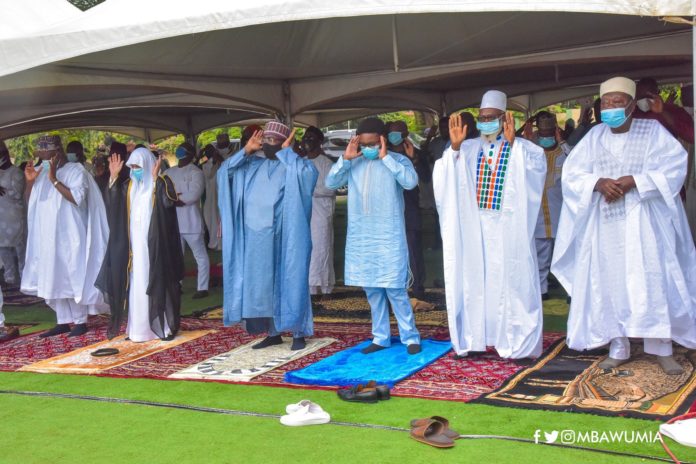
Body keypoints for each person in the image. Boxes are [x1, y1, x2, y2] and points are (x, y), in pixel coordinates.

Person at [552, 77, 696, 375]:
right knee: (610, 282)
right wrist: (598, 183)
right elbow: (573, 173)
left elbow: (674, 166)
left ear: (631, 105)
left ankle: (661, 348)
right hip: (606, 225)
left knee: (652, 280)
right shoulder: (594, 136)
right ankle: (618, 346)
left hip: (645, 221)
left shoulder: (653, 130)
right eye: (606, 103)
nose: (611, 108)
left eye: (617, 102)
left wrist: (636, 181)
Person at [433, 90, 546, 360]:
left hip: (509, 228)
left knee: (512, 282)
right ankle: (476, 340)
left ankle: (516, 342)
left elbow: (534, 177)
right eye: (482, 118)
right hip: (476, 229)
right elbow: (444, 175)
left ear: (506, 118)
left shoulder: (527, 149)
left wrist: (513, 145)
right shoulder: (468, 147)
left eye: (492, 118)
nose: (487, 122)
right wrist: (456, 148)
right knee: (476, 282)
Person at [217, 121, 317, 351]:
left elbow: (308, 176)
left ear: (284, 142)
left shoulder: (295, 164)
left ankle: (298, 332)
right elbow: (225, 173)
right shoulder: (252, 165)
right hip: (255, 239)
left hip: (285, 237)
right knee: (263, 285)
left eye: (275, 141)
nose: (270, 145)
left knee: (290, 280)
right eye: (267, 140)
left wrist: (287, 154)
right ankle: (273, 332)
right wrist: (246, 150)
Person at [326, 117, 421, 355]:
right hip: (362, 237)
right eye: (364, 144)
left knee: (395, 288)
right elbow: (330, 182)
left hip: (388, 236)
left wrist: (386, 158)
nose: (369, 148)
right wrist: (345, 160)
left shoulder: (397, 160)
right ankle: (381, 337)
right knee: (372, 289)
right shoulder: (353, 163)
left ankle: (410, 337)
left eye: (373, 144)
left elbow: (410, 183)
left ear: (382, 141)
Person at [22, 135, 109, 338]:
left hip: (69, 235)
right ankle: (62, 320)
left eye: (44, 155)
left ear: (56, 153)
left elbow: (76, 198)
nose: (41, 159)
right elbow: (30, 201)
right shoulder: (41, 172)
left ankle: (80, 321)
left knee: (72, 274)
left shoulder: (75, 170)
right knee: (53, 275)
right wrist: (30, 182)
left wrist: (53, 179)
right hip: (47, 236)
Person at [96, 148, 184, 341]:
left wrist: (154, 179)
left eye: (138, 166)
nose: (135, 170)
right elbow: (113, 203)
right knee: (137, 284)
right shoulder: (129, 187)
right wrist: (112, 177)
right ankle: (139, 329)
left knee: (154, 281)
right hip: (134, 247)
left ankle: (160, 327)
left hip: (154, 246)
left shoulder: (160, 182)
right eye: (132, 167)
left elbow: (169, 203)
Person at [525, 111, 569, 299]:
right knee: (540, 256)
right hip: (538, 218)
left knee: (567, 255)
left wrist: (563, 141)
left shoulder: (565, 153)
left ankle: (570, 290)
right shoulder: (531, 154)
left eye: (549, 133)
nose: (545, 137)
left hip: (562, 216)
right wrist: (528, 140)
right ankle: (542, 290)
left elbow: (579, 162)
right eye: (542, 134)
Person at [387, 120, 427, 300]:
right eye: (391, 133)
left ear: (405, 134)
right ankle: (395, 286)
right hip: (389, 210)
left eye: (397, 133)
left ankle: (417, 288)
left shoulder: (415, 153)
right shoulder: (384, 154)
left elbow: (425, 177)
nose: (393, 137)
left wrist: (414, 160)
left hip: (409, 208)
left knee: (412, 248)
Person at [166, 143, 210, 299]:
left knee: (200, 256)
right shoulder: (168, 172)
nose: (180, 150)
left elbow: (193, 196)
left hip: (191, 223)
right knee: (176, 257)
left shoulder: (196, 172)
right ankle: (177, 285)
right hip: (175, 223)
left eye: (184, 148)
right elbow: (162, 193)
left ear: (192, 154)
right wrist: (174, 199)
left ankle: (202, 287)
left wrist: (174, 199)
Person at [302, 126, 336, 296]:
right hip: (303, 213)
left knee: (321, 248)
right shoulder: (300, 162)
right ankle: (310, 287)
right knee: (305, 248)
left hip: (321, 212)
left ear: (320, 141)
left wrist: (308, 190)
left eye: (311, 137)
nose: (307, 140)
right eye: (305, 137)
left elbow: (330, 188)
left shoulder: (326, 163)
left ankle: (322, 287)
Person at [634, 77, 694, 145]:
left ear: (656, 93)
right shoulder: (632, 111)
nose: (644, 101)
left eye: (647, 96)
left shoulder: (673, 110)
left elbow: (691, 136)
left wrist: (662, 112)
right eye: (639, 97)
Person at [0, 141, 27, 286]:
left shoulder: (16, 172)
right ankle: (9, 280)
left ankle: (25, 280)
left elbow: (17, 194)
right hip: (1, 220)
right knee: (4, 251)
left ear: (5, 154)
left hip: (15, 219)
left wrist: (3, 189)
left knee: (20, 251)